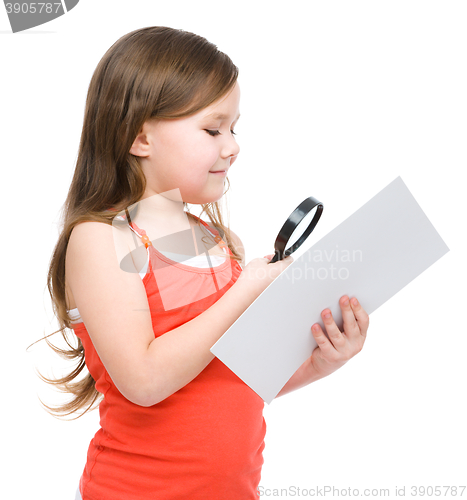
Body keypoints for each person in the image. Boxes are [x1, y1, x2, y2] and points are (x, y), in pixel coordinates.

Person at [44, 26, 369, 500]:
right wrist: (244, 292)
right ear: (139, 138)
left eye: (234, 128)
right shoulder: (101, 239)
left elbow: (236, 378)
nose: (232, 145)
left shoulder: (221, 241)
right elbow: (145, 379)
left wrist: (321, 364)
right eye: (213, 129)